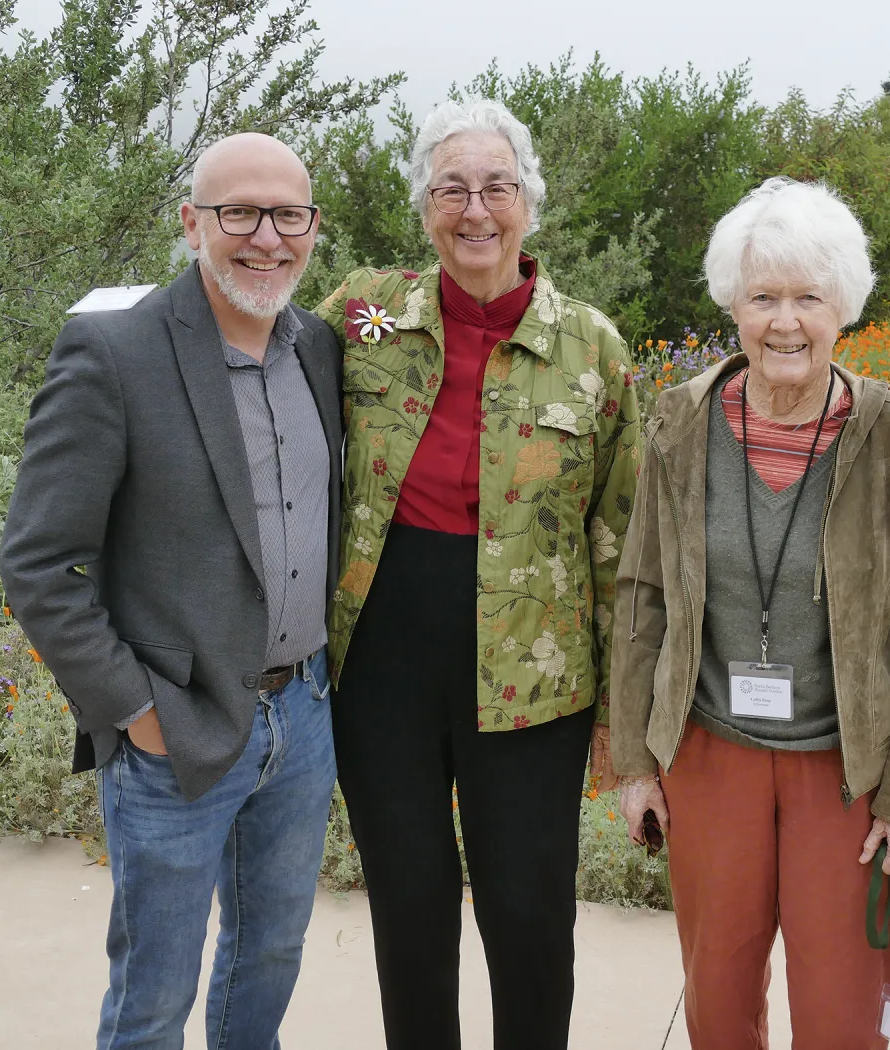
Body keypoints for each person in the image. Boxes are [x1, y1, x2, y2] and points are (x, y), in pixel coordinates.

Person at [0, 133, 343, 1048]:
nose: (265, 237)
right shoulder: (114, 353)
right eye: (239, 212)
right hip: (175, 727)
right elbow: (39, 562)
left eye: (288, 215)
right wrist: (132, 710)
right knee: (155, 991)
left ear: (314, 229)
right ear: (192, 223)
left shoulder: (319, 348)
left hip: (302, 718)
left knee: (269, 959)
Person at [312, 98, 641, 1050]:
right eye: (451, 188)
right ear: (423, 207)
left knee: (531, 915)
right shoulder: (361, 317)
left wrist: (625, 717)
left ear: (529, 204)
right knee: (410, 908)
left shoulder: (592, 347)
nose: (476, 209)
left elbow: (623, 540)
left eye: (497, 187)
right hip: (382, 661)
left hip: (534, 673)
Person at [610, 177, 890, 1049]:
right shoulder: (683, 421)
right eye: (763, 297)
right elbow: (644, 594)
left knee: (843, 1009)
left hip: (847, 768)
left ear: (846, 307)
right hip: (710, 752)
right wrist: (635, 760)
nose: (786, 322)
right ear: (734, 305)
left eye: (809, 297)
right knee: (717, 995)